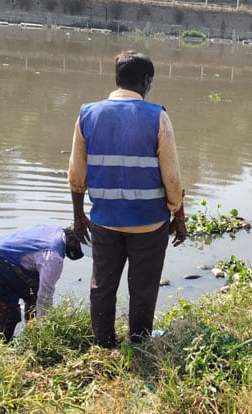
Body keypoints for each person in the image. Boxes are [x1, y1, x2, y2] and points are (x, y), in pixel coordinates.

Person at [68, 50, 186, 349]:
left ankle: (104, 344)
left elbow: (76, 173)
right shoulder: (156, 115)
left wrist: (79, 216)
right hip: (148, 224)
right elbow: (172, 177)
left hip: (105, 222)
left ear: (116, 78)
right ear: (146, 81)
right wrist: (179, 216)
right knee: (143, 288)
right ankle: (139, 342)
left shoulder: (88, 114)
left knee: (102, 285)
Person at [0, 225, 84, 342]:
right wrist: (45, 327)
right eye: (81, 245)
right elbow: (45, 296)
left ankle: (31, 336)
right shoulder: (53, 258)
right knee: (9, 318)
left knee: (33, 298)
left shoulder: (56, 230)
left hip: (4, 258)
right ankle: (3, 347)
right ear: (71, 239)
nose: (82, 251)